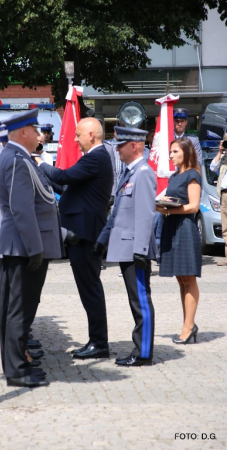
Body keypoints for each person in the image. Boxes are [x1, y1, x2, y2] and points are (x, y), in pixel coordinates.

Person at [0, 109, 64, 388]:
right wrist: (35, 249)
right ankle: (17, 370)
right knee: (18, 311)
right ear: (22, 132)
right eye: (35, 130)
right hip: (23, 246)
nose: (39, 135)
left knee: (19, 309)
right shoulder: (16, 160)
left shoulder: (17, 157)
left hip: (20, 244)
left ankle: (17, 366)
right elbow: (22, 209)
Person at [36, 118, 113, 359]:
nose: (74, 139)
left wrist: (39, 162)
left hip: (85, 234)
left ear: (91, 134)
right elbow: (67, 186)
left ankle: (99, 343)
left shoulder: (96, 157)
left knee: (90, 289)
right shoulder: (94, 157)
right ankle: (96, 340)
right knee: (88, 288)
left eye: (78, 134)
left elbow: (64, 176)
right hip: (83, 232)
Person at [94, 126, 158, 367]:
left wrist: (141, 250)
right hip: (126, 249)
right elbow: (117, 214)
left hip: (135, 251)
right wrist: (103, 240)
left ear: (134, 146)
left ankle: (143, 353)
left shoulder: (143, 173)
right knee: (135, 300)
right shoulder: (129, 173)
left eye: (121, 145)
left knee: (140, 299)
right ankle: (141, 348)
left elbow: (145, 214)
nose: (117, 149)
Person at [156, 138, 202, 344]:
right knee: (180, 279)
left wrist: (170, 209)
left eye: (175, 151)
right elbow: (171, 201)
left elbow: (193, 206)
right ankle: (188, 323)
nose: (171, 155)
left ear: (185, 152)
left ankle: (189, 326)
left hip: (185, 228)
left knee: (188, 278)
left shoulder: (192, 175)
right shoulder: (175, 176)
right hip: (172, 226)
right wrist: (160, 206)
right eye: (170, 152)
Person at [210, 132, 227, 266]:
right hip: (224, 195)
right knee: (225, 228)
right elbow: (212, 167)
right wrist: (220, 152)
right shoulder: (223, 156)